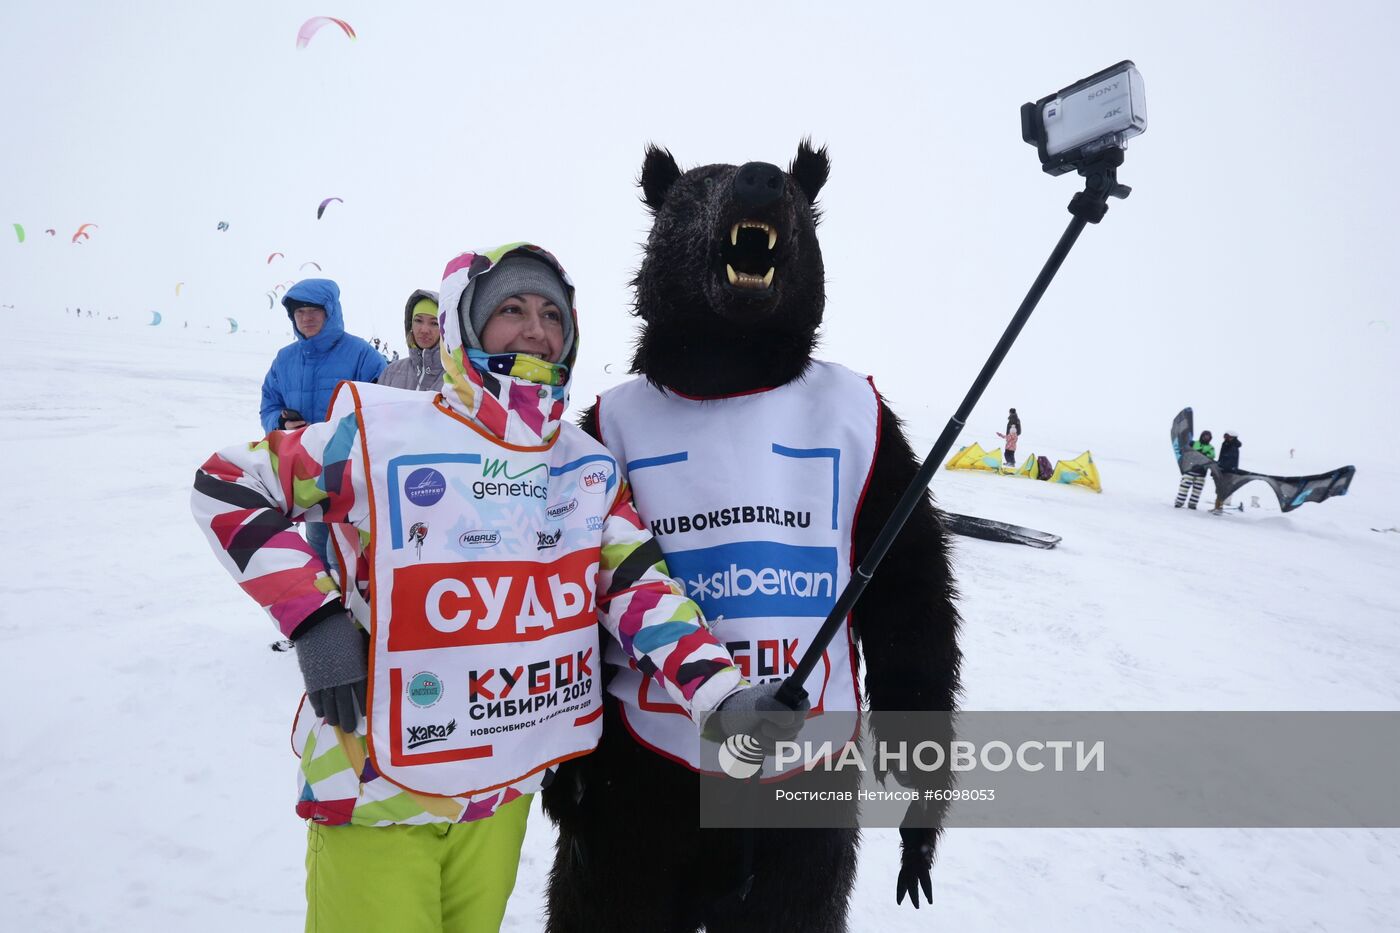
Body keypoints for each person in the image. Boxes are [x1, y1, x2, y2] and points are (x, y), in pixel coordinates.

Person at [192, 243, 785, 933]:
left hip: (499, 797)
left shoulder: (586, 468)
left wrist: (719, 695)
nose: (537, 329)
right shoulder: (380, 437)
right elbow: (227, 484)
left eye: (551, 314)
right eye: (511, 309)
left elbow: (639, 591)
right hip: (374, 787)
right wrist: (316, 620)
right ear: (461, 324)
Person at [259, 279, 385, 566]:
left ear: (330, 311)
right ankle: (329, 609)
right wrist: (279, 422)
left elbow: (383, 405)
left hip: (354, 476)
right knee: (317, 549)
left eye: (314, 310)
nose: (307, 318)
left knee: (353, 555)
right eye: (300, 311)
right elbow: (269, 404)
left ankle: (359, 608)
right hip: (308, 473)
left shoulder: (361, 353)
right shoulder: (285, 359)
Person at [378, 289, 443, 392]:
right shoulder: (391, 372)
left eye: (434, 323)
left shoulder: (458, 378)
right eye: (418, 320)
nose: (425, 330)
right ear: (410, 324)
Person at [1175, 429, 1215, 509]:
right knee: (1184, 487)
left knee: (1197, 490)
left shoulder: (1211, 448)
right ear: (1202, 436)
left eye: (1208, 437)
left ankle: (1192, 504)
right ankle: (1179, 502)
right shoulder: (1194, 443)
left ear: (1210, 438)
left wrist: (1203, 454)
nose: (1206, 438)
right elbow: (1186, 450)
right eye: (1205, 436)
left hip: (1201, 472)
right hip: (1190, 469)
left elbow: (1211, 456)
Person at [1211, 431, 1242, 513]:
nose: (1226, 439)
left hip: (1228, 471)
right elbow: (1222, 457)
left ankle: (1219, 508)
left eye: (1228, 437)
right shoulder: (1225, 444)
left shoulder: (1233, 446)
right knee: (1219, 489)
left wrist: (1221, 466)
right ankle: (1217, 507)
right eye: (1225, 437)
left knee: (1222, 489)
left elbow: (1229, 459)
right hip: (1222, 470)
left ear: (1233, 437)